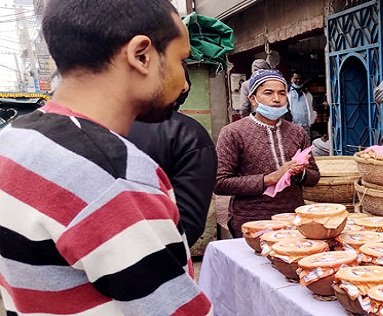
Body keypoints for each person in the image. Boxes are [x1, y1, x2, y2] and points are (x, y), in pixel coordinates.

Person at [0, 0, 212, 314]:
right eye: (182, 59)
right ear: (142, 55)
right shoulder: (114, 174)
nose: (183, 82)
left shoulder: (13, 140)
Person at [214, 69, 320, 237]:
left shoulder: (297, 132)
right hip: (251, 221)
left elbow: (314, 177)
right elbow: (219, 183)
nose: (276, 99)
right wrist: (269, 179)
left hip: (291, 219)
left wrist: (300, 173)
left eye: (282, 93)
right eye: (268, 93)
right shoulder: (233, 132)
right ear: (253, 99)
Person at [128, 68, 217, 246]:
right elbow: (189, 223)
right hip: (159, 257)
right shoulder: (188, 133)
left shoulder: (100, 122)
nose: (185, 86)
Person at [288, 71, 317, 136]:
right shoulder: (286, 93)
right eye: (296, 78)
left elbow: (314, 108)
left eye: (300, 79)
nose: (298, 80)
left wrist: (312, 120)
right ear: (291, 79)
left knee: (306, 145)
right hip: (292, 127)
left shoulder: (307, 94)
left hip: (306, 127)